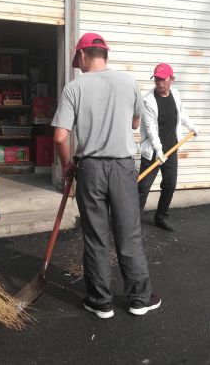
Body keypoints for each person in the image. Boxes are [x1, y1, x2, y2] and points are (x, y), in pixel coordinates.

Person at [52, 32, 160, 319]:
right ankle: (140, 299)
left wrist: (66, 165)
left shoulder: (74, 88)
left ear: (82, 55)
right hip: (122, 168)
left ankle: (100, 302)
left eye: (77, 60)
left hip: (89, 170)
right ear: (105, 54)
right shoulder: (128, 82)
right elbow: (136, 121)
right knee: (129, 235)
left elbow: (60, 137)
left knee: (96, 237)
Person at [138, 63, 198, 232]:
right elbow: (150, 129)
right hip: (153, 152)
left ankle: (161, 217)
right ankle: (131, 222)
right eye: (156, 79)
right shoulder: (147, 101)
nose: (159, 82)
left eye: (163, 79)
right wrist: (158, 150)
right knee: (143, 188)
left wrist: (191, 126)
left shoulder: (176, 94)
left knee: (169, 185)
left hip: (171, 149)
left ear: (172, 79)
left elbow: (181, 114)